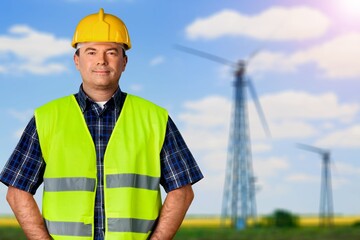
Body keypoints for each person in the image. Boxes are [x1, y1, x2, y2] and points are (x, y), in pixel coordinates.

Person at [0, 8, 203, 240]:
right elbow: (16, 191)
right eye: (91, 51)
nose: (101, 60)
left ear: (124, 62)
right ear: (77, 60)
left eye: (112, 52)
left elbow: (182, 191)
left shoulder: (155, 118)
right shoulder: (46, 118)